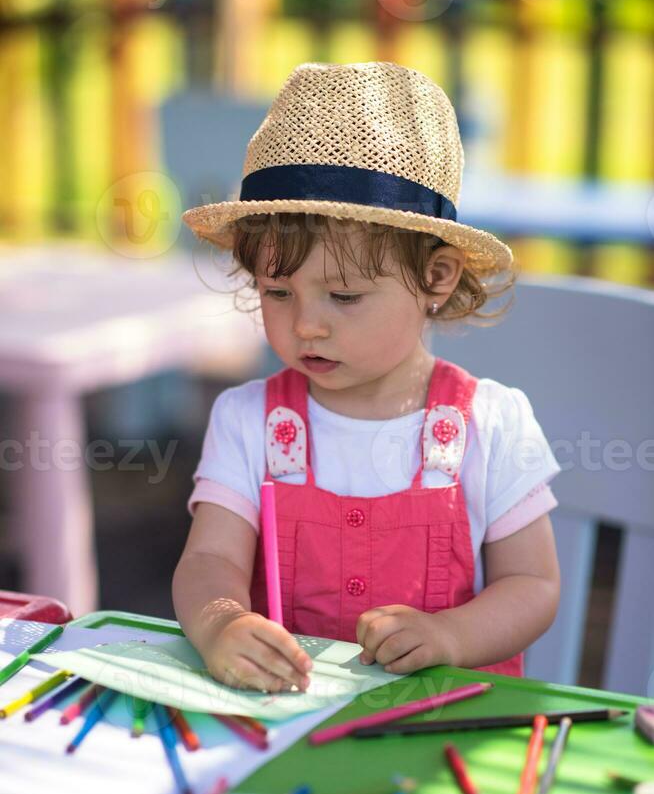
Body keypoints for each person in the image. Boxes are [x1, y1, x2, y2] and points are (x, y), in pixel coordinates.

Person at [172, 61, 561, 694]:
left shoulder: (490, 423)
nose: (306, 327)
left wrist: (452, 635)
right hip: (284, 720)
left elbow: (534, 585)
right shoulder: (248, 420)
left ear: (436, 278)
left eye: (344, 297)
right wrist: (220, 623)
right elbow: (210, 560)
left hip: (440, 727)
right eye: (277, 292)